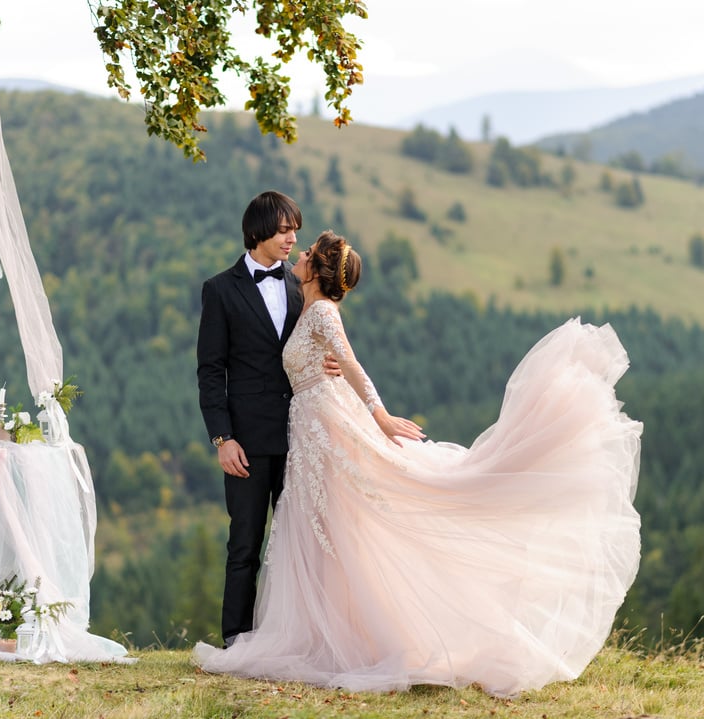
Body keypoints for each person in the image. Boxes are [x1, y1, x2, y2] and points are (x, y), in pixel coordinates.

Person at [194, 230, 642, 696]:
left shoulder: (323, 310)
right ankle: (326, 633)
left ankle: (351, 639)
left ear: (319, 269)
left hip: (327, 427)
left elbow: (350, 363)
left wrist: (380, 415)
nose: (298, 253)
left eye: (307, 252)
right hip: (308, 429)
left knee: (347, 524)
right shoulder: (302, 302)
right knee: (323, 532)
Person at [196, 190, 338, 648]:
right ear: (257, 232)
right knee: (244, 547)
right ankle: (237, 640)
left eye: (294, 229)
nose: (292, 238)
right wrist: (223, 438)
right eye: (283, 230)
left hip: (301, 436)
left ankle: (300, 637)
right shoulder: (219, 290)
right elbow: (210, 370)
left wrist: (328, 366)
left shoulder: (303, 286)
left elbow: (316, 344)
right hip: (247, 442)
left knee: (302, 544)